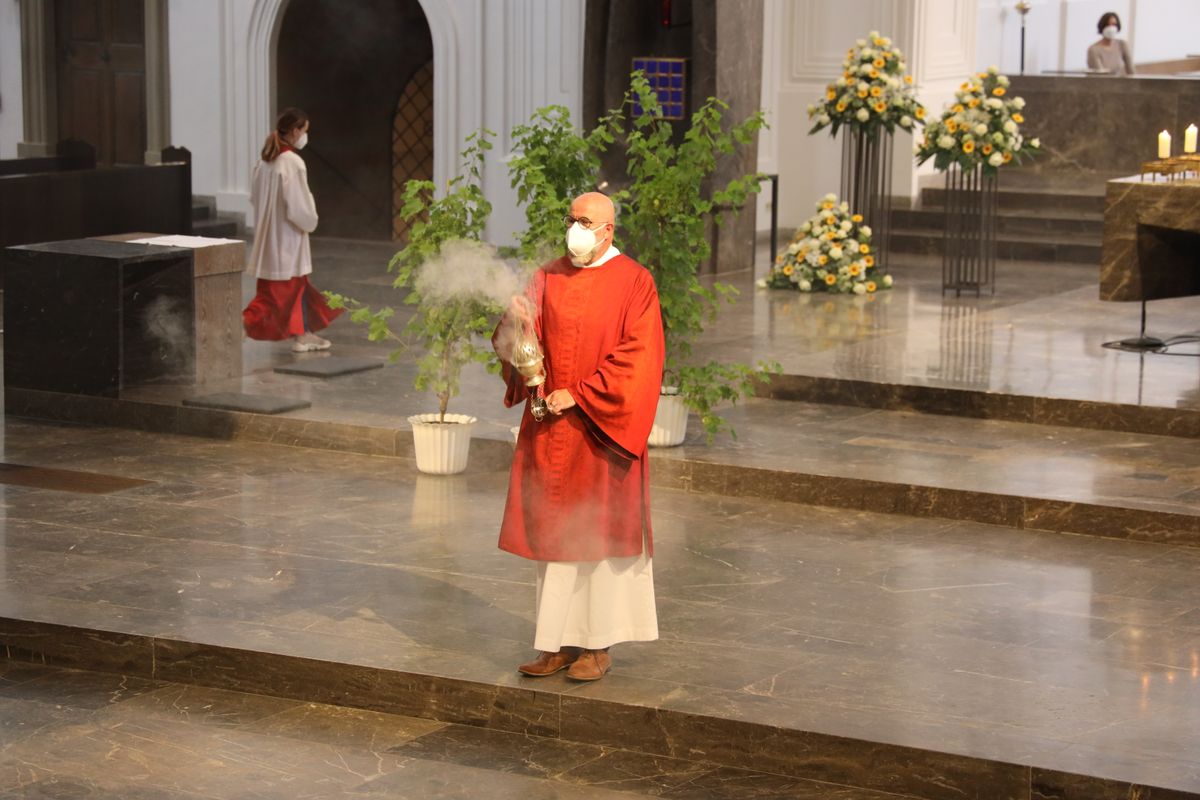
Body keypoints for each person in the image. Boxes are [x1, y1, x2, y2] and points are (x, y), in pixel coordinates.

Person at [495, 191, 665, 682]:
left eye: (586, 221)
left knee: (598, 538)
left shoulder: (635, 281)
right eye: (571, 219)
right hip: (551, 430)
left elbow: (640, 356)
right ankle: (556, 644)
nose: (576, 228)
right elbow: (520, 344)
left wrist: (583, 395)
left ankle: (597, 646)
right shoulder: (547, 275)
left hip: (600, 430)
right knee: (555, 538)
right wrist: (516, 320)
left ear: (609, 230)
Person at [243, 107, 342, 352]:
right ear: (296, 131)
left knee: (295, 289)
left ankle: (303, 334)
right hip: (287, 238)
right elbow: (299, 207)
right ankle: (232, 329)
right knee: (276, 296)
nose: (306, 136)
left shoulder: (265, 161)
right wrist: (310, 221)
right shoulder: (292, 162)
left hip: (270, 237)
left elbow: (255, 198)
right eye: (305, 131)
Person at [1087, 11, 1135, 76]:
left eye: (1114, 24)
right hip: (1101, 84)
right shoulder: (1093, 49)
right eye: (1108, 25)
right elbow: (1100, 75)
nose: (1111, 27)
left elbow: (1131, 71)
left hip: (1119, 83)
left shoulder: (1122, 44)